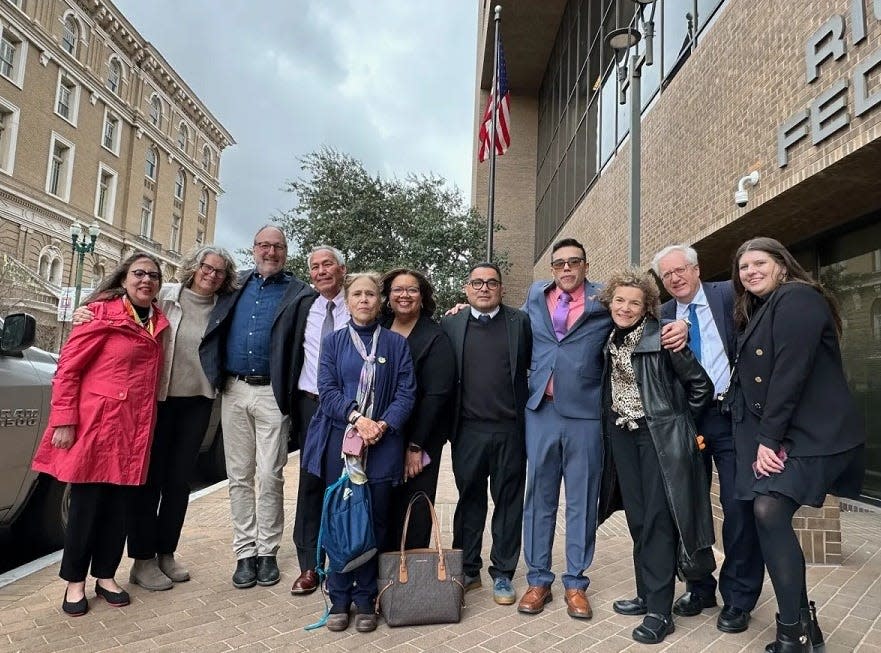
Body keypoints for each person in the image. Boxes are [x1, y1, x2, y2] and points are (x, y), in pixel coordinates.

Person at [519, 238, 688, 620]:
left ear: (585, 265)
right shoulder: (534, 295)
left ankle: (576, 582)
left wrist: (679, 324)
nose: (566, 269)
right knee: (539, 498)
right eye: (559, 263)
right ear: (552, 269)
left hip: (585, 416)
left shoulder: (604, 300)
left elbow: (642, 316)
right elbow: (513, 325)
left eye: (573, 262)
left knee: (582, 500)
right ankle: (538, 580)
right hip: (540, 412)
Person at [73, 245, 239, 591]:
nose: (211, 275)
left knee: (178, 484)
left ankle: (166, 552)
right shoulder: (164, 295)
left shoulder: (225, 308)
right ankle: (142, 560)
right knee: (147, 482)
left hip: (197, 403)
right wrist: (86, 310)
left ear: (226, 279)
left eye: (219, 271)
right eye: (207, 267)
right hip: (155, 401)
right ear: (194, 267)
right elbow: (119, 296)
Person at [729, 237, 865, 653]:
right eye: (743, 267)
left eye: (759, 263)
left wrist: (768, 440)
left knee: (768, 508)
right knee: (766, 510)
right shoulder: (767, 306)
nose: (750, 271)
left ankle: (795, 632)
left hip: (818, 433)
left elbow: (791, 372)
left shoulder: (799, 299)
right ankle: (801, 629)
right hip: (793, 433)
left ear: (783, 265)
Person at [32, 252, 170, 616]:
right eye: (139, 273)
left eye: (153, 276)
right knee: (86, 505)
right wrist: (63, 420)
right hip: (97, 425)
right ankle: (74, 581)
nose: (146, 280)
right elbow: (67, 370)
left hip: (135, 429)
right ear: (123, 278)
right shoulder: (100, 315)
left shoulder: (158, 321)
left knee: (120, 505)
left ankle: (106, 575)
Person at [650, 244, 764, 634]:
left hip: (733, 416)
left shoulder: (729, 295)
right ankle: (699, 587)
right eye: (667, 275)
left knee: (738, 506)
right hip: (687, 421)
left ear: (697, 269)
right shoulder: (661, 315)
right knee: (688, 506)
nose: (675, 278)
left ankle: (739, 597)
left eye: (680, 270)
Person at [598, 269, 715, 644]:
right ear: (609, 302)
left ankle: (660, 612)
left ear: (647, 306)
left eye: (634, 302)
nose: (625, 308)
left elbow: (701, 385)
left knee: (659, 522)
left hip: (657, 439)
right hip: (623, 437)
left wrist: (679, 425)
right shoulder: (610, 337)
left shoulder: (664, 338)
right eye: (619, 300)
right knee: (637, 520)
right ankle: (647, 592)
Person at [200, 225, 316, 589]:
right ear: (253, 249)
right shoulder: (234, 285)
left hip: (272, 394)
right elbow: (190, 293)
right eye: (264, 245)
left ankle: (267, 551)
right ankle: (244, 553)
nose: (270, 252)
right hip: (234, 389)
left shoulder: (300, 293)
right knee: (238, 476)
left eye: (277, 246)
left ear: (285, 251)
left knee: (269, 474)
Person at [301, 272, 415, 632]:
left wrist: (382, 425)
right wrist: (358, 418)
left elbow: (406, 392)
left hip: (382, 446)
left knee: (375, 521)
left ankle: (366, 599)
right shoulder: (334, 342)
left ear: (379, 301)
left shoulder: (396, 345)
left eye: (370, 294)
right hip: (343, 442)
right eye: (357, 295)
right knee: (339, 520)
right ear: (347, 302)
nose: (364, 300)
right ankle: (339, 598)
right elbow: (327, 388)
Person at [441, 262, 531, 606]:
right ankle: (467, 568)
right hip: (468, 431)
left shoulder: (520, 323)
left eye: (491, 283)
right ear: (466, 289)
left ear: (502, 289)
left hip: (510, 430)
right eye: (476, 283)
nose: (483, 288)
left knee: (508, 503)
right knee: (469, 501)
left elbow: (532, 366)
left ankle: (504, 573)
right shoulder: (451, 323)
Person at [380, 268, 455, 550]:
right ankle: (381, 576)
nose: (404, 295)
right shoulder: (377, 327)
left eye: (412, 290)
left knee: (414, 508)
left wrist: (415, 446)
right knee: (381, 507)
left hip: (419, 437)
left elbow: (437, 395)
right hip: (381, 435)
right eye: (398, 289)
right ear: (388, 296)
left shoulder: (435, 337)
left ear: (422, 297)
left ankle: (410, 579)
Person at [290, 245, 349, 596]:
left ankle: (341, 561)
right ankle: (309, 565)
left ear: (342, 269)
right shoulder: (303, 307)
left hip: (348, 409)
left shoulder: (360, 301)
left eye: (328, 265)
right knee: (310, 482)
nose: (322, 271)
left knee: (344, 484)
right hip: (311, 406)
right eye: (315, 267)